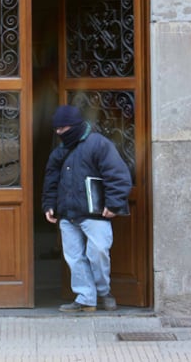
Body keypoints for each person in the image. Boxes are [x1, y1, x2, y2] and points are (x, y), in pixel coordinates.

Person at [41, 104, 132, 313]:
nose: (58, 133)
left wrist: (114, 204)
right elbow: (51, 180)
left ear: (73, 126)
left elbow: (117, 175)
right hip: (67, 214)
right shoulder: (59, 151)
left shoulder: (99, 145)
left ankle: (103, 292)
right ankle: (85, 299)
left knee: (98, 253)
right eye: (56, 129)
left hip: (95, 214)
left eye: (62, 129)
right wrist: (49, 204)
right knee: (74, 258)